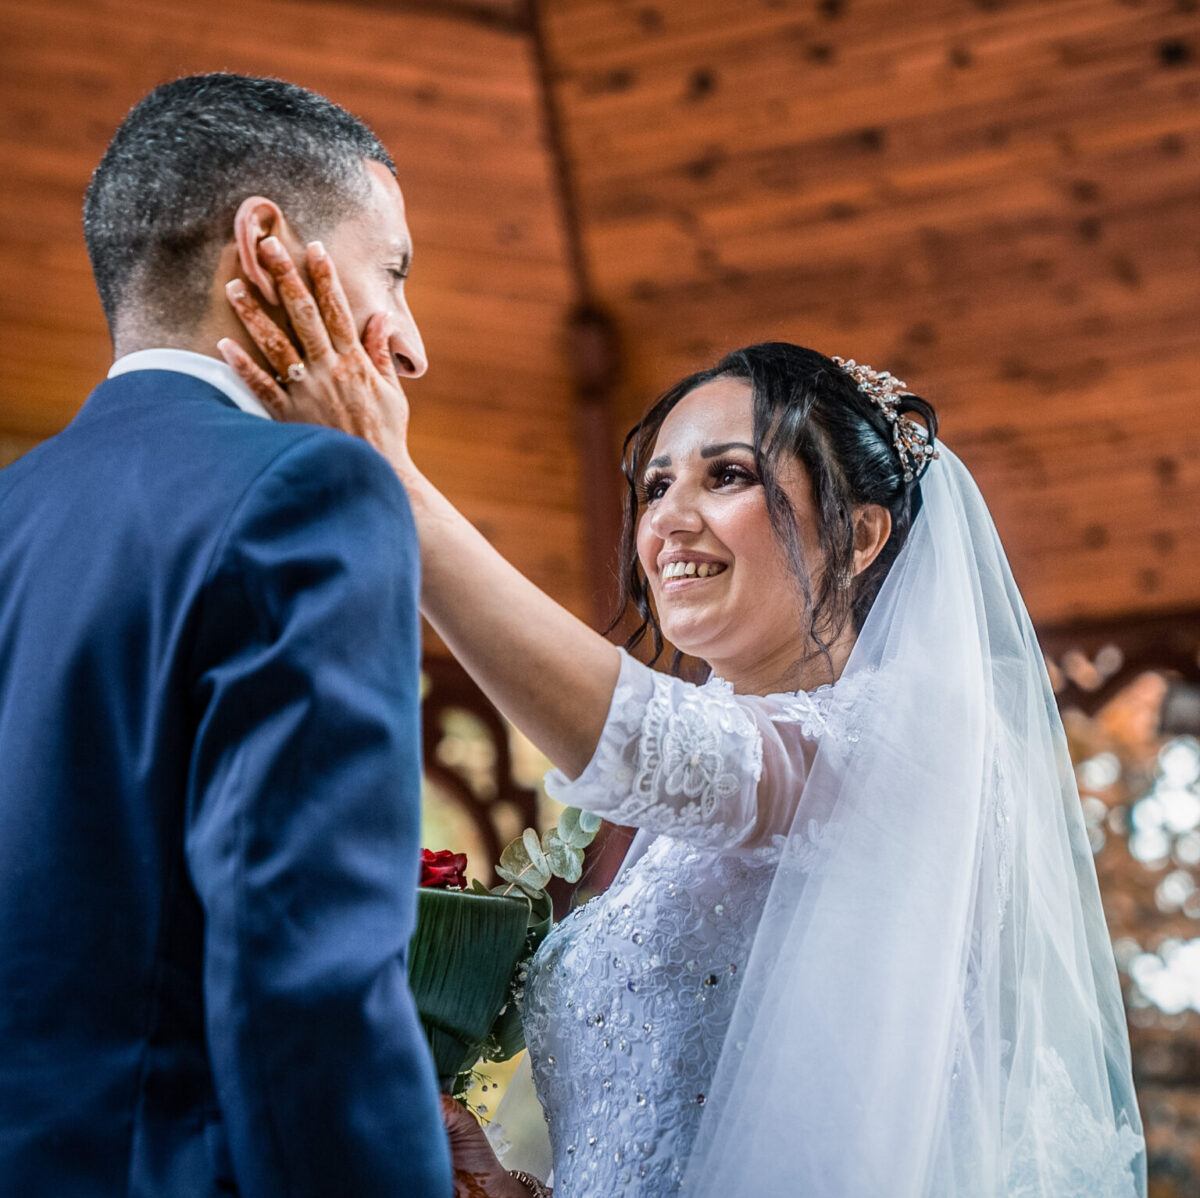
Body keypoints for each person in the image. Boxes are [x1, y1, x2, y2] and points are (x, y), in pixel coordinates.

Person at [221, 248, 1147, 1196]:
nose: (667, 519)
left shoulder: (910, 745)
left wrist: (395, 483)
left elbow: (642, 747)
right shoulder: (669, 827)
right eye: (656, 486)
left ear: (863, 536)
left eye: (728, 475)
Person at [0, 74, 451, 1197]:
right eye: (393, 272)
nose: (410, 345)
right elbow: (304, 979)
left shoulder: (13, 512)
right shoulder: (312, 494)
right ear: (266, 246)